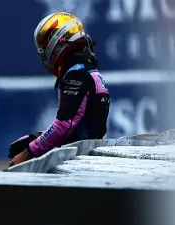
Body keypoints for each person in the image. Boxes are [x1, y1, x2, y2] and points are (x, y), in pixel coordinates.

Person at [8, 12, 110, 167]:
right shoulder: (86, 70)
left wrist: (29, 152)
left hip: (79, 164)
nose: (43, 50)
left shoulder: (77, 74)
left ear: (58, 41)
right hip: (88, 157)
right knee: (19, 145)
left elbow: (64, 125)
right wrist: (35, 139)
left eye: (45, 43)